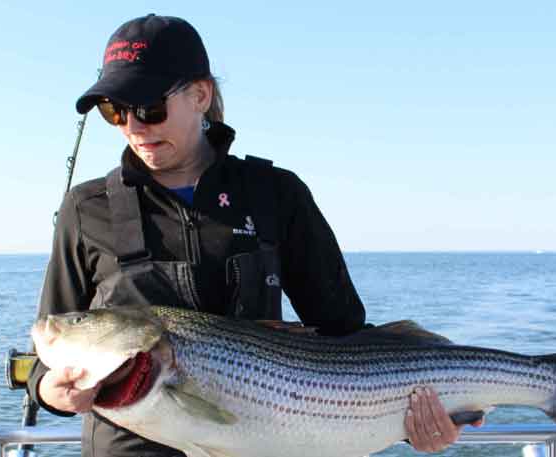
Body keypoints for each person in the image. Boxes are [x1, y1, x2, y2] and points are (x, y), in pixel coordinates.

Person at [27, 14, 478, 457]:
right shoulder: (86, 209)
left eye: (150, 108)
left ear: (200, 95)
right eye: (115, 111)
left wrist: (413, 420)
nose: (134, 127)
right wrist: (49, 390)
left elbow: (348, 340)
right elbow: (43, 353)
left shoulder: (275, 194)